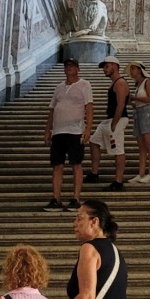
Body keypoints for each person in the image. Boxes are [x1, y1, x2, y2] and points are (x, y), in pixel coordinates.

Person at [44, 57, 94, 211]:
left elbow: (89, 108)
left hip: (75, 131)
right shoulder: (59, 87)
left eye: (72, 66)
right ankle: (56, 198)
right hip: (58, 131)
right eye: (66, 66)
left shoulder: (84, 85)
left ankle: (75, 198)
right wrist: (48, 129)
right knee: (57, 165)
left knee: (76, 164)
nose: (69, 69)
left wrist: (88, 129)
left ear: (78, 68)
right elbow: (52, 109)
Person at [86, 55, 129, 191]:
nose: (104, 70)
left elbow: (121, 104)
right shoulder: (115, 82)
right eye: (104, 67)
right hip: (109, 120)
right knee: (93, 141)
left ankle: (118, 181)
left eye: (106, 66)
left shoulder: (120, 83)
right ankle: (94, 173)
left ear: (115, 66)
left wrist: (114, 123)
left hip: (117, 120)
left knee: (118, 150)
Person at [128, 61, 150, 183]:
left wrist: (135, 98)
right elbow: (138, 102)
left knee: (149, 145)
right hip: (138, 113)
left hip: (146, 112)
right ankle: (141, 173)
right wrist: (131, 102)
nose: (131, 71)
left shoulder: (146, 82)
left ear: (139, 70)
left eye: (133, 69)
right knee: (141, 146)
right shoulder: (137, 84)